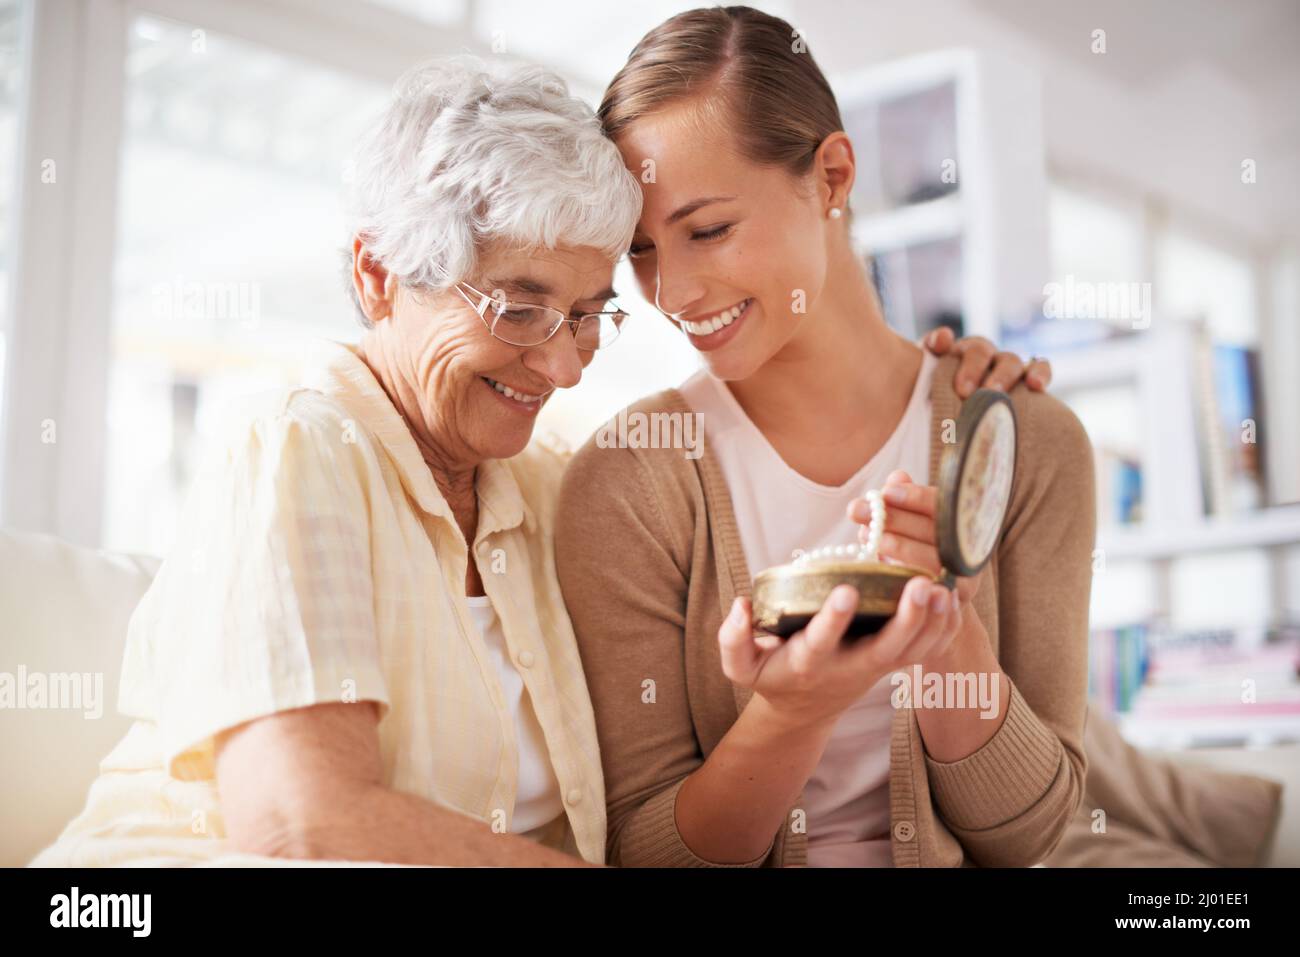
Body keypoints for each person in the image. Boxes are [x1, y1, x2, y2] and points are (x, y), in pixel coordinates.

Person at [555, 6, 1094, 868]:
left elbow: (1029, 834)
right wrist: (789, 714)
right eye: (643, 251)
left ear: (833, 176)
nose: (676, 293)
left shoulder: (1024, 442)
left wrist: (946, 630)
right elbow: (646, 851)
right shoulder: (624, 480)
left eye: (709, 229)